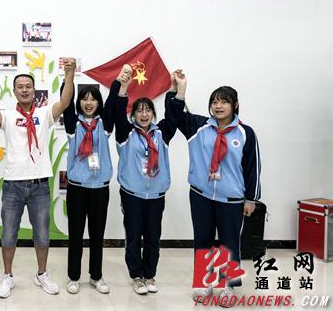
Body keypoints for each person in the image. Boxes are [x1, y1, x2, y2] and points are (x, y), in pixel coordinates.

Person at [0, 59, 76, 298]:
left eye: (28, 86)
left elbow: (65, 102)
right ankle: (7, 276)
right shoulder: (8, 116)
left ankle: (42, 274)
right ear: (15, 91)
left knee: (42, 234)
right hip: (13, 185)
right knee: (9, 234)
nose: (25, 89)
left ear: (34, 89)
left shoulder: (44, 113)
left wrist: (69, 74)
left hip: (40, 185)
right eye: (20, 86)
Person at [170, 72, 261, 306]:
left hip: (231, 199)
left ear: (235, 105)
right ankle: (204, 282)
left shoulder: (245, 133)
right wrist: (178, 90)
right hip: (201, 195)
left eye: (224, 101)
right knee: (203, 239)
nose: (218, 106)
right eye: (214, 102)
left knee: (229, 243)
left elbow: (252, 168)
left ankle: (228, 286)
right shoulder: (198, 126)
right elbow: (174, 115)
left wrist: (250, 199)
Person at [112, 65, 186, 295]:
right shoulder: (126, 133)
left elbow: (173, 116)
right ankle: (136, 276)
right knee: (134, 236)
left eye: (148, 111)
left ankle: (150, 274)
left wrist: (178, 90)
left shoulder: (161, 133)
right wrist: (123, 89)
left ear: (153, 114)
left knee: (153, 237)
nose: (143, 114)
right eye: (139, 111)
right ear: (133, 115)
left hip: (155, 195)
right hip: (132, 195)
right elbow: (117, 113)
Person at [61, 77, 117, 295]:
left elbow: (112, 103)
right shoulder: (73, 124)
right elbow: (66, 102)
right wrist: (68, 77)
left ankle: (96, 276)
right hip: (77, 188)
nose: (88, 102)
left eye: (93, 99)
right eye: (84, 99)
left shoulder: (105, 125)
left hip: (100, 188)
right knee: (75, 235)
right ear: (79, 102)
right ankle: (74, 277)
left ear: (98, 103)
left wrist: (117, 83)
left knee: (97, 235)